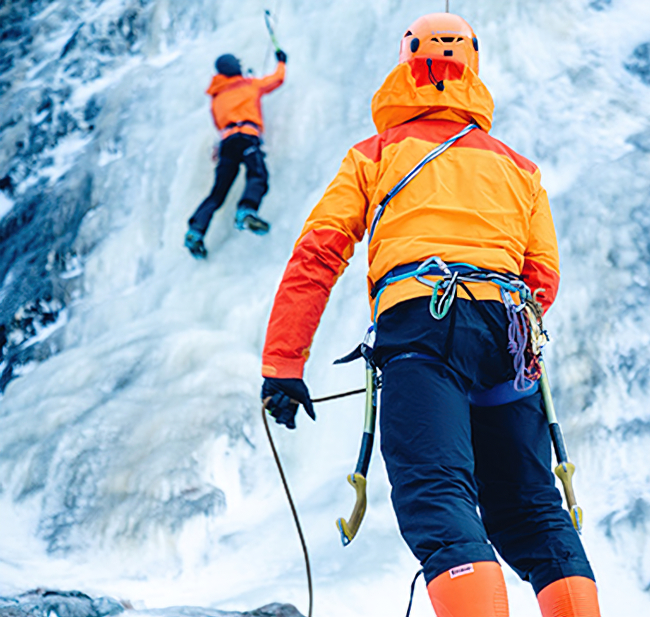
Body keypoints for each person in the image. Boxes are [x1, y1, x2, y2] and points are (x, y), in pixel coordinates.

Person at [260, 13, 601, 617]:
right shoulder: (518, 168)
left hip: (423, 327)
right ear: (472, 68)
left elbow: (318, 253)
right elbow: (542, 276)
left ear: (406, 63)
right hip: (509, 332)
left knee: (437, 493)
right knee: (530, 504)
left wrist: (284, 363)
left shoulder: (376, 153)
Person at [185, 50, 287, 258]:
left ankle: (196, 230)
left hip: (227, 143)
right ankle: (246, 211)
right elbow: (277, 80)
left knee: (218, 193)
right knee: (258, 175)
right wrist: (281, 62)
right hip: (247, 136)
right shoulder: (249, 84)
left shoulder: (216, 97)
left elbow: (218, 124)